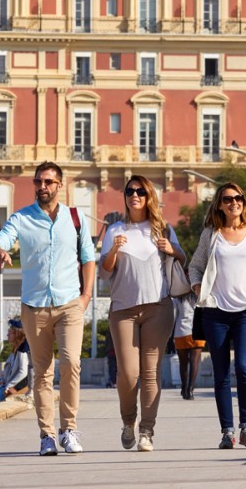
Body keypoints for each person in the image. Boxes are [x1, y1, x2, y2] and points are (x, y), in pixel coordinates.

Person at [0, 161, 96, 456]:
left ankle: (69, 429)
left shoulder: (76, 218)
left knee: (72, 363)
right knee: (42, 373)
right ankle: (47, 435)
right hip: (34, 306)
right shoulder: (21, 218)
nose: (43, 187)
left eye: (48, 182)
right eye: (38, 182)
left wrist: (86, 296)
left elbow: (88, 258)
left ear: (60, 185)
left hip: (70, 303)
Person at [99, 175, 184, 453]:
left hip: (158, 308)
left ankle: (147, 430)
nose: (134, 195)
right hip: (122, 309)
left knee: (150, 373)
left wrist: (172, 249)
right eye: (129, 191)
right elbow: (104, 271)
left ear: (148, 197)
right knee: (127, 372)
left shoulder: (163, 229)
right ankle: (128, 422)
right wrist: (113, 250)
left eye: (139, 192)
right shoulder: (114, 230)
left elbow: (183, 259)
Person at [189, 182, 246, 449]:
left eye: (238, 198)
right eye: (228, 199)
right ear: (219, 204)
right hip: (214, 312)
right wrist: (198, 290)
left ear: (244, 203)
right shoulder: (211, 234)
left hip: (244, 314)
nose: (234, 203)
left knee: (244, 370)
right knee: (221, 373)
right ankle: (227, 432)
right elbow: (194, 267)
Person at [173, 291, 204, 401]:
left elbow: (174, 315)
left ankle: (184, 387)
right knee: (194, 362)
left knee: (183, 363)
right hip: (197, 331)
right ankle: (190, 389)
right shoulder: (200, 295)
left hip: (181, 331)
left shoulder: (178, 297)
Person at [0, 318, 30, 401]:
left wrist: (10, 386)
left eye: (9, 333)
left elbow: (23, 372)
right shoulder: (15, 350)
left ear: (17, 334)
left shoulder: (23, 350)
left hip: (17, 389)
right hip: (12, 388)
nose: (7, 335)